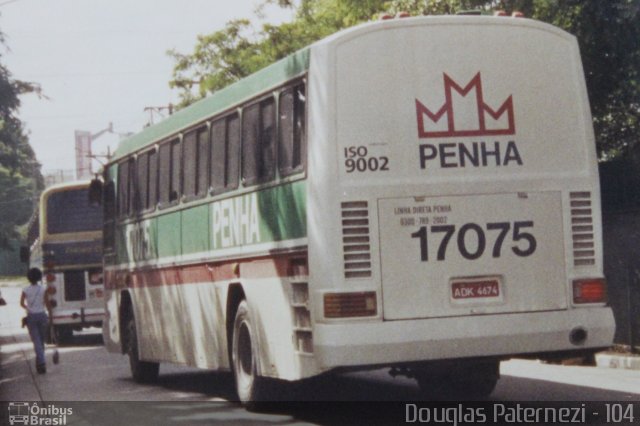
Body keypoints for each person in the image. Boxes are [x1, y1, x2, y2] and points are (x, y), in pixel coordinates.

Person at [20, 268, 51, 374]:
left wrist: (28, 308)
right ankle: (41, 363)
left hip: (31, 317)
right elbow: (47, 303)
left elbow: (21, 303)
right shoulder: (43, 289)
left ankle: (40, 363)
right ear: (39, 277)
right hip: (42, 315)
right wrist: (50, 315)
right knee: (41, 341)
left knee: (36, 340)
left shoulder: (25, 290)